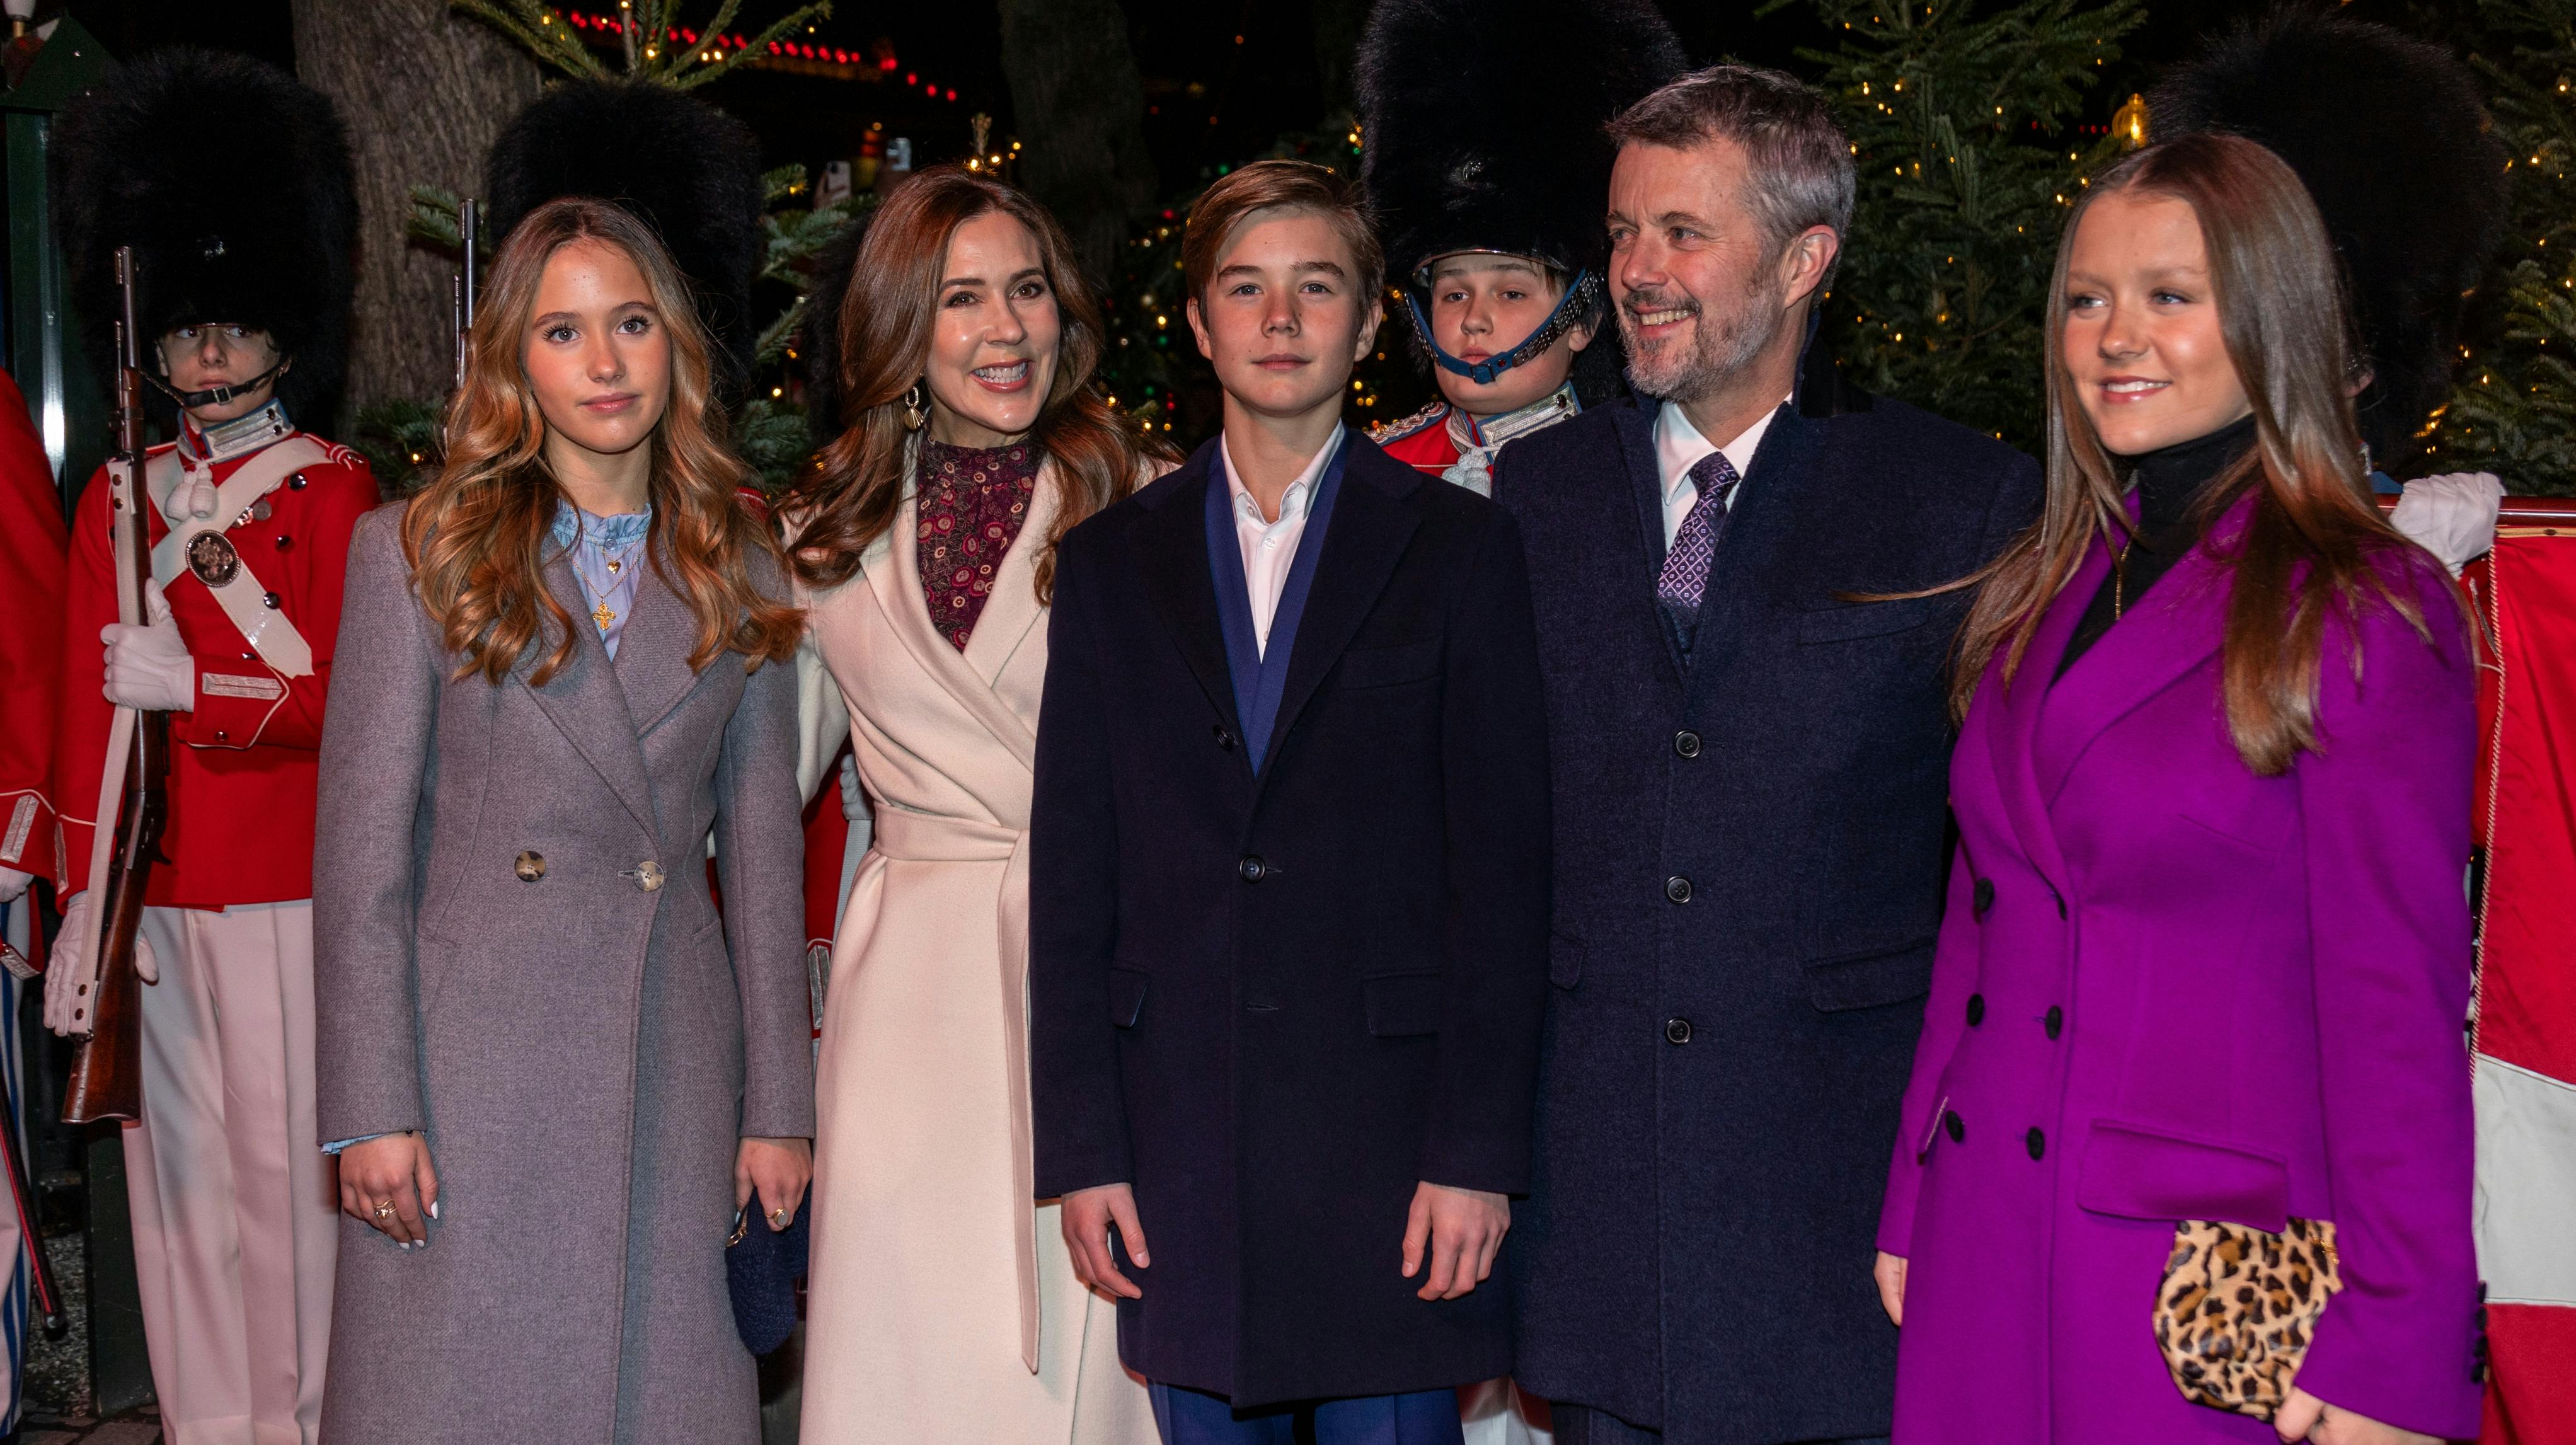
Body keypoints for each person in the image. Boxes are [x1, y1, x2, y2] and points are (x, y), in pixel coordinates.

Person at [1871, 131, 2483, 1445]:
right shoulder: (2044, 583)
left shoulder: (2365, 607)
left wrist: (2400, 1338)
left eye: (2168, 295)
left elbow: (2397, 1014)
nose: (2114, 338)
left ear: (2269, 316)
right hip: (1982, 1234)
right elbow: (1982, 919)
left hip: (2201, 1285)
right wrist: (1913, 1194)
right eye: (2086, 298)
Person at [1487, 66, 2041, 1445]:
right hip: (1602, 1219)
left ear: (1804, 260)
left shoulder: (1961, 500)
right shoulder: (1535, 495)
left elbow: (2009, 871)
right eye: (1623, 232)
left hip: (1833, 1220)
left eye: (1683, 232)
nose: (1636, 271)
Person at [1028, 158, 1551, 1445]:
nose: (1278, 320)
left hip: (1391, 1158)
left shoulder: (1462, 549)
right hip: (1181, 1153)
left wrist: (1475, 1154)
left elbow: (1503, 877)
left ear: (1367, 323)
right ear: (1197, 322)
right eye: (1244, 289)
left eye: (1314, 288)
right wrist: (1086, 1151)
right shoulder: (1108, 564)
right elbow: (1072, 877)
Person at [311, 197, 811, 1444]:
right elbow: (362, 860)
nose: (603, 361)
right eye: (562, 331)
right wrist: (370, 1105)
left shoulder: (740, 565)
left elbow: (763, 862)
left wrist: (778, 1108)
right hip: (470, 1068)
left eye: (630, 323)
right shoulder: (416, 553)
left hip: (671, 1066)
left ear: (673, 343)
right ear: (510, 362)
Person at [784, 166, 1174, 1445]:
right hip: (906, 1001)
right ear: (901, 324)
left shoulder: (1151, 498)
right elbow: (758, 783)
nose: (1005, 329)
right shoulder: (821, 537)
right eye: (961, 298)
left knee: (1082, 1349)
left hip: (1098, 974)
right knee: (909, 1345)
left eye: (1027, 290)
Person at [44, 52, 367, 1445]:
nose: (211, 356)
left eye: (234, 328)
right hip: (157, 891)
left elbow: (348, 702)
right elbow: (80, 717)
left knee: (287, 1186)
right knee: (177, 1188)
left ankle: (301, 1423)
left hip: (285, 883)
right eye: (186, 331)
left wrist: (200, 685)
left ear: (285, 333)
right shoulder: (118, 495)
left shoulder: (335, 492)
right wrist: (83, 900)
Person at [1356, 0, 1686, 495]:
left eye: (1511, 293)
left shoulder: (1635, 474)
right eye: (1453, 295)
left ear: (1581, 322)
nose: (1473, 320)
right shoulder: (1370, 474)